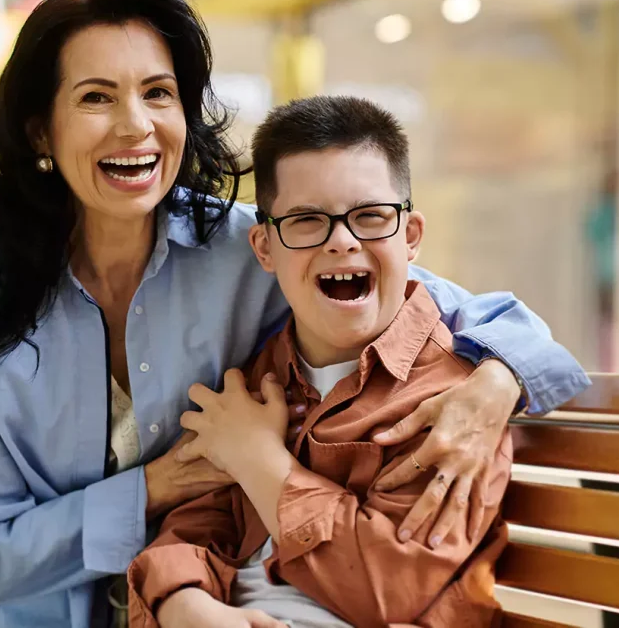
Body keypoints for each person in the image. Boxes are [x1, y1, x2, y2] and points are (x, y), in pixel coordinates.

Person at [0, 0, 590, 628]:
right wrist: (153, 488)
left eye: (159, 93)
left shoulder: (253, 249)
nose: (136, 125)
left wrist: (497, 382)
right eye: (97, 97)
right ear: (41, 132)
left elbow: (439, 302)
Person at [127, 96, 513, 628]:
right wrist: (183, 601)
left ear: (411, 236)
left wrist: (261, 460)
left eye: (370, 216)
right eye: (307, 221)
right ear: (264, 248)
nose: (342, 242)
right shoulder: (261, 375)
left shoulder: (451, 403)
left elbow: (387, 589)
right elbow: (198, 523)